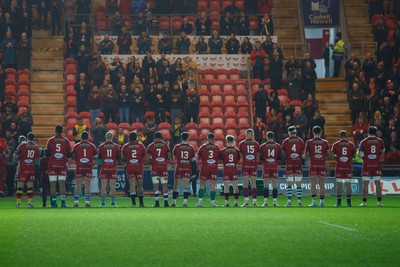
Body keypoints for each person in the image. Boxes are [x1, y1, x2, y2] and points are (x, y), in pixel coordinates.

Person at [45, 125, 71, 208]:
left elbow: (47, 154)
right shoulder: (66, 141)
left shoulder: (50, 140)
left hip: (52, 164)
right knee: (62, 183)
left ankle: (54, 203)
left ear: (55, 131)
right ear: (62, 131)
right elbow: (69, 155)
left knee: (52, 184)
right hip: (62, 164)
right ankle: (63, 203)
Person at [359, 126, 385, 206]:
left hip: (367, 164)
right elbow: (383, 151)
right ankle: (379, 202)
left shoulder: (363, 141)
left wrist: (366, 158)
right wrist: (377, 155)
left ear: (368, 132)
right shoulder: (380, 141)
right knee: (378, 183)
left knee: (365, 183)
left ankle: (364, 202)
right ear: (376, 132)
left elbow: (360, 155)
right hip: (376, 164)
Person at [304, 126, 330, 207]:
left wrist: (312, 155)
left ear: (313, 132)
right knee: (322, 183)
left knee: (313, 184)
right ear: (321, 132)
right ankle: (322, 202)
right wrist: (322, 156)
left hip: (313, 164)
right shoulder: (325, 142)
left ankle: (314, 202)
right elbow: (328, 155)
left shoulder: (309, 142)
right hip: (322, 164)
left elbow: (306, 155)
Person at [14, 132, 40, 208]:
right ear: (33, 138)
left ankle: (18, 203)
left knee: (20, 186)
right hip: (31, 168)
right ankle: (29, 203)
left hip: (23, 168)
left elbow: (15, 155)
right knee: (30, 186)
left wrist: (19, 158)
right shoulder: (36, 147)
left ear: (27, 138)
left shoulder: (22, 145)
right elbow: (38, 157)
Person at [72, 131, 97, 208]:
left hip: (79, 167)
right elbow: (95, 157)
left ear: (80, 137)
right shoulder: (92, 146)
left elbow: (72, 157)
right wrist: (91, 161)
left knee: (78, 185)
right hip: (88, 167)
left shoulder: (76, 146)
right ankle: (87, 202)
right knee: (87, 185)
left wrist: (77, 159)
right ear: (88, 137)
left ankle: (76, 202)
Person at [121, 132, 147, 207]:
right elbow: (145, 158)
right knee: (140, 185)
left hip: (130, 167)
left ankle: (133, 204)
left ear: (129, 138)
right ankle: (141, 203)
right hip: (139, 167)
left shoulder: (125, 146)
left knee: (132, 185)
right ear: (136, 138)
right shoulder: (141, 146)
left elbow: (122, 157)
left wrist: (128, 159)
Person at [331, 130, 356, 207]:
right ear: (346, 136)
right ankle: (349, 202)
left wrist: (337, 158)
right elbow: (354, 156)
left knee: (339, 185)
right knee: (348, 184)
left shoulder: (335, 144)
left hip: (339, 166)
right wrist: (348, 158)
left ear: (339, 136)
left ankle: (339, 203)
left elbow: (332, 156)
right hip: (348, 166)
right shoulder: (351, 144)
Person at [281, 126, 305, 207]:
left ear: (289, 132)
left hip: (290, 163)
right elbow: (303, 152)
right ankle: (299, 201)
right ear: (295, 132)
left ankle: (289, 201)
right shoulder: (300, 140)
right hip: (298, 163)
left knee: (289, 183)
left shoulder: (285, 141)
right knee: (298, 183)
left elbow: (283, 153)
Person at [147, 131, 171, 207]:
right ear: (161, 138)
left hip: (155, 167)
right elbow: (169, 156)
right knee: (165, 185)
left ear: (154, 138)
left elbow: (147, 158)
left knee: (155, 185)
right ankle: (166, 202)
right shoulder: (165, 145)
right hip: (163, 167)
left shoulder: (150, 146)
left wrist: (152, 159)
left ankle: (157, 202)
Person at [172, 132, 196, 207]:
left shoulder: (176, 147)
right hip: (187, 168)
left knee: (176, 186)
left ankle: (174, 202)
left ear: (181, 138)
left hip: (179, 167)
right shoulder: (191, 147)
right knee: (186, 186)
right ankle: (185, 203)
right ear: (188, 138)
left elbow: (174, 157)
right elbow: (192, 159)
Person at [197, 133, 220, 207]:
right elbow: (219, 158)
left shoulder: (202, 147)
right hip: (213, 168)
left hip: (204, 168)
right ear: (213, 139)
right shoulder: (216, 147)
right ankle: (212, 202)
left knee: (201, 185)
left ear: (207, 138)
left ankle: (200, 202)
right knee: (212, 185)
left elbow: (198, 157)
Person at [259, 131, 282, 207]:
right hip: (274, 166)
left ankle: (265, 202)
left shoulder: (262, 146)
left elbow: (261, 158)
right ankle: (275, 202)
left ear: (266, 137)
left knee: (266, 185)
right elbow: (279, 157)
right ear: (273, 137)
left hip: (266, 167)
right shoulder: (278, 146)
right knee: (274, 185)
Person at [98, 132, 120, 207]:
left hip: (104, 168)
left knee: (103, 186)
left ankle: (103, 203)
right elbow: (118, 157)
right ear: (112, 137)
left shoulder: (101, 146)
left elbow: (99, 157)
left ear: (105, 137)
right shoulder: (116, 146)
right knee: (112, 186)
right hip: (112, 168)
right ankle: (112, 203)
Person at [239, 129, 260, 207]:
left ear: (246, 134)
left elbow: (240, 156)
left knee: (245, 184)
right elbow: (258, 155)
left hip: (245, 165)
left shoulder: (242, 143)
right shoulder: (256, 144)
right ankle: (255, 202)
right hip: (253, 165)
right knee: (254, 184)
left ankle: (246, 202)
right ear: (252, 135)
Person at [220, 135, 240, 207]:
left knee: (226, 187)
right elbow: (238, 159)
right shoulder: (236, 151)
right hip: (234, 169)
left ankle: (227, 202)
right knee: (235, 186)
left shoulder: (222, 151)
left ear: (226, 141)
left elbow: (221, 160)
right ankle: (236, 202)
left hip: (226, 169)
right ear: (233, 141)